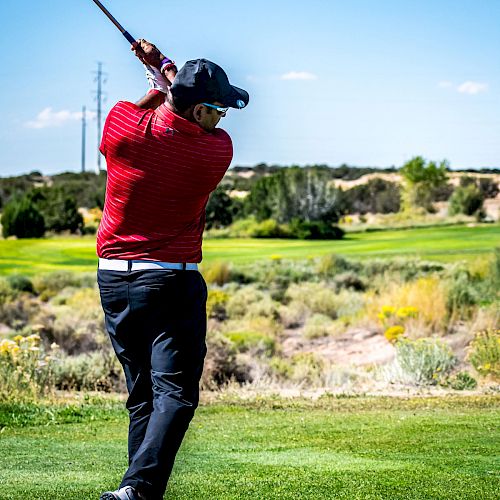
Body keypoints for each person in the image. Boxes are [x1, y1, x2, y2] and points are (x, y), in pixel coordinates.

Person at [97, 39, 249, 500]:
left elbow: (151, 110)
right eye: (218, 109)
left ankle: (134, 495)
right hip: (170, 281)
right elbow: (171, 107)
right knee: (177, 396)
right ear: (200, 112)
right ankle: (138, 489)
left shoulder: (121, 129)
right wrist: (163, 67)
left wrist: (161, 75)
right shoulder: (215, 152)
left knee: (142, 396)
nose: (222, 119)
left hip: (114, 280)